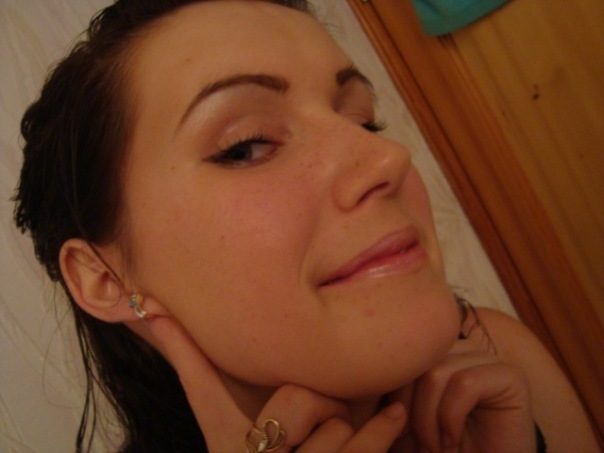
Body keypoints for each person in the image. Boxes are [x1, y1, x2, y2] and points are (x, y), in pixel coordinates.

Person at [12, 0, 598, 452]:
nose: (387, 159)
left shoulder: (503, 364)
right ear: (103, 277)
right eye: (245, 146)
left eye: (364, 121)